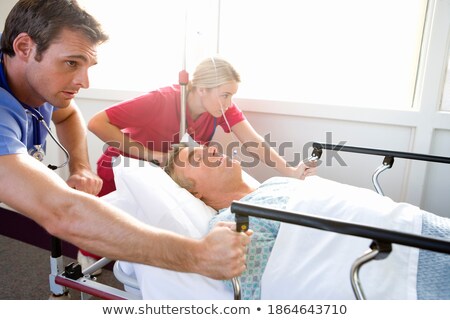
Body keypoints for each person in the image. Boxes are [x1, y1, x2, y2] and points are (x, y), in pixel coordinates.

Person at [0, 0, 251, 284]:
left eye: (88, 65)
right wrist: (197, 256)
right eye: (71, 63)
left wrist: (80, 167)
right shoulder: (164, 99)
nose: (84, 82)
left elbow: (68, 114)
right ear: (23, 48)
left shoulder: (37, 82)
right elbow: (61, 211)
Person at [85, 56, 314, 266]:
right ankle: (86, 259)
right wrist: (153, 155)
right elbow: (97, 123)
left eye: (232, 95)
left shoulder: (219, 108)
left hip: (166, 172)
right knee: (104, 232)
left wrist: (290, 171)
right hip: (123, 167)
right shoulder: (162, 100)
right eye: (225, 95)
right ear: (202, 88)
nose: (229, 102)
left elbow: (252, 141)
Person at [164, 145, 450, 299]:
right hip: (404, 264)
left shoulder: (275, 185)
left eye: (205, 147)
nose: (211, 150)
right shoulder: (228, 223)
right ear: (194, 191)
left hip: (412, 225)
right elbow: (260, 287)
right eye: (197, 157)